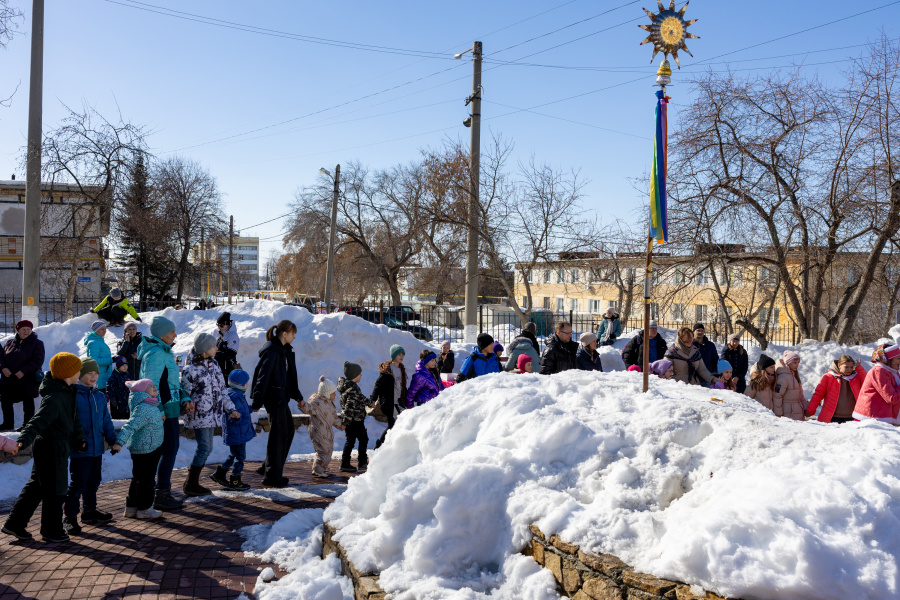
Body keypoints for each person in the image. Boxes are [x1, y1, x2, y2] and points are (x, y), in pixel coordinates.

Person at [1, 353, 86, 543]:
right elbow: (36, 422)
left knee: (37, 486)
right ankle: (51, 530)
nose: (80, 372)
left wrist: (79, 437)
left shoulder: (68, 392)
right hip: (50, 447)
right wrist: (23, 440)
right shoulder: (55, 397)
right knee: (56, 489)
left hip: (57, 445)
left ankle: (14, 524)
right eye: (77, 369)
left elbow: (74, 419)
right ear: (67, 373)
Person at [138, 315, 193, 510]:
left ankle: (160, 492)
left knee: (167, 452)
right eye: (172, 332)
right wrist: (159, 408)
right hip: (163, 412)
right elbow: (150, 385)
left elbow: (170, 384)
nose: (175, 335)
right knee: (168, 452)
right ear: (162, 334)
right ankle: (161, 494)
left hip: (168, 408)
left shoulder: (164, 351)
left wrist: (184, 397)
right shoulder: (156, 354)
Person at [63, 359, 118, 535]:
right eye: (89, 373)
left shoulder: (100, 396)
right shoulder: (73, 395)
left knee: (93, 482)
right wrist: (75, 441)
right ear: (80, 374)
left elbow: (106, 420)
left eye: (96, 374)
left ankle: (89, 511)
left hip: (96, 448)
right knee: (78, 484)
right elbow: (68, 422)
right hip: (80, 448)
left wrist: (112, 439)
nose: (93, 376)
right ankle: (69, 518)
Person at [250, 320, 301, 488]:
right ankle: (272, 476)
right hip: (274, 398)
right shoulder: (272, 351)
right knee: (278, 436)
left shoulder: (283, 351)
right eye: (293, 333)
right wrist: (257, 400)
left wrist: (298, 396)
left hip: (281, 397)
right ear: (284, 334)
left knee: (287, 431)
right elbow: (262, 376)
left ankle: (268, 467)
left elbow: (289, 378)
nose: (295, 336)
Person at [181, 332, 228, 497]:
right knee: (204, 447)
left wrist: (231, 408)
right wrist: (187, 404)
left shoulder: (214, 365)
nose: (217, 348)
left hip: (212, 414)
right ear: (205, 349)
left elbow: (222, 389)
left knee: (208, 448)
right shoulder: (190, 370)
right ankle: (191, 483)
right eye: (214, 345)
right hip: (199, 415)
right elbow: (185, 394)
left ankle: (191, 482)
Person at [112, 379, 164, 520]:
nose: (154, 387)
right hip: (147, 450)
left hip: (147, 448)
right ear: (141, 391)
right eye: (150, 386)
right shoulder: (144, 408)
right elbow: (130, 426)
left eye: (153, 385)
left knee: (138, 479)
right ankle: (144, 509)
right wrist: (119, 442)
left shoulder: (147, 405)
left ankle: (132, 507)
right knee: (147, 480)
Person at [210, 369, 255, 490]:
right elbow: (235, 416)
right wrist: (237, 417)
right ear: (240, 384)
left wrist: (251, 409)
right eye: (246, 383)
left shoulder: (234, 394)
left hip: (237, 432)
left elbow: (242, 410)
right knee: (240, 457)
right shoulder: (235, 397)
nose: (247, 385)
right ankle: (235, 480)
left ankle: (220, 474)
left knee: (233, 454)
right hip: (237, 433)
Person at [0, 320, 45, 432]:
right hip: (9, 378)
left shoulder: (37, 343)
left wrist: (23, 371)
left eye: (28, 329)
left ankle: (27, 425)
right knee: (5, 400)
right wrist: (3, 368)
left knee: (27, 400)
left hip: (27, 378)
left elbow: (37, 360)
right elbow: (1, 358)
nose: (26, 331)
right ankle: (7, 423)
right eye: (23, 329)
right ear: (18, 330)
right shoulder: (9, 343)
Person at [299, 376, 344, 479]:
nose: (335, 395)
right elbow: (308, 408)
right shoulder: (316, 402)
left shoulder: (329, 403)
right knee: (323, 450)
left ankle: (321, 466)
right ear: (327, 394)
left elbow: (333, 417)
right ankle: (318, 470)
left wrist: (340, 425)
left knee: (327, 449)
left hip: (326, 431)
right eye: (333, 393)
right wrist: (302, 404)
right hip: (318, 430)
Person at [806, 355, 866, 423]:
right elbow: (818, 395)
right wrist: (810, 411)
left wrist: (860, 369)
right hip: (832, 418)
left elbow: (867, 383)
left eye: (851, 367)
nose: (849, 369)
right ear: (839, 365)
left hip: (852, 418)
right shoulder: (828, 377)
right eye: (846, 367)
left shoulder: (856, 377)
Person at [338, 361, 373, 473]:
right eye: (359, 373)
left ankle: (345, 463)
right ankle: (362, 462)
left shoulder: (351, 387)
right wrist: (345, 422)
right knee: (363, 439)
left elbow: (360, 398)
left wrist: (369, 402)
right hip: (355, 421)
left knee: (351, 441)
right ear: (354, 375)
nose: (361, 375)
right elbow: (349, 409)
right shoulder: (352, 390)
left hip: (353, 420)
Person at [852, 343, 900, 424]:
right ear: (889, 359)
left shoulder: (893, 372)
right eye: (898, 358)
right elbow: (891, 398)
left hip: (882, 417)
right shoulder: (879, 371)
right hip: (871, 420)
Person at [372, 345, 408, 449]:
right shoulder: (388, 370)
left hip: (396, 402)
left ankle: (383, 447)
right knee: (394, 425)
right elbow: (377, 386)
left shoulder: (401, 369)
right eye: (399, 354)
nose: (401, 356)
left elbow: (402, 386)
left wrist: (407, 399)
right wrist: (373, 400)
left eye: (403, 354)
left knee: (392, 426)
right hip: (388, 402)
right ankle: (379, 447)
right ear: (393, 356)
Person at [774, 350, 806, 420]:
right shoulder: (783, 377)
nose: (797, 365)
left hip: (797, 411)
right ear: (788, 363)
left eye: (798, 363)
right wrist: (778, 414)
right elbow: (777, 396)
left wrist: (806, 408)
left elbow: (800, 395)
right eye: (794, 363)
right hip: (788, 414)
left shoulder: (794, 376)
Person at [83, 321, 114, 394]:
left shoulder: (99, 341)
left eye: (105, 329)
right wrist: (111, 360)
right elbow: (94, 360)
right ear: (96, 330)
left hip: (103, 375)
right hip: (99, 378)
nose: (104, 331)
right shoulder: (93, 343)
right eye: (102, 329)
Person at [213, 312, 240, 379]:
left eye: (221, 326)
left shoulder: (233, 335)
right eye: (218, 325)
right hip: (216, 367)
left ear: (227, 325)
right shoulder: (216, 332)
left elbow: (231, 354)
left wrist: (215, 354)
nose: (219, 327)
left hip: (226, 370)